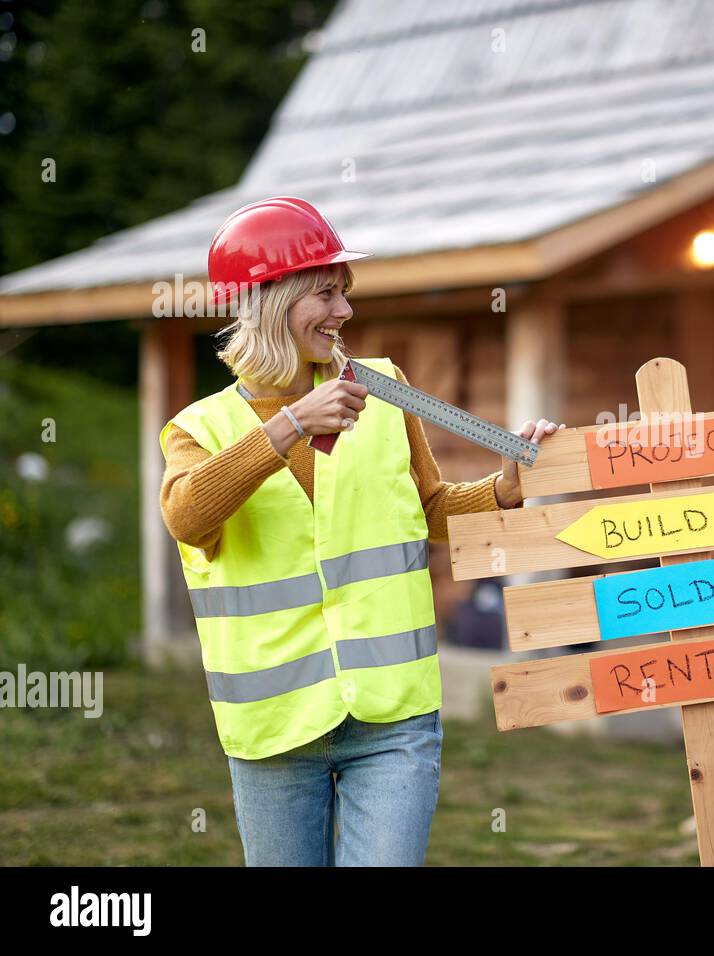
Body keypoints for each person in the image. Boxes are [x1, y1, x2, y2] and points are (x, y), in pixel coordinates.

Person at [159, 196, 563, 866]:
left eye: (344, 292)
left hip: (393, 717)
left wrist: (502, 491)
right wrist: (289, 425)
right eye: (325, 293)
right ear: (269, 301)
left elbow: (427, 506)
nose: (345, 311)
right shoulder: (198, 429)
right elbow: (188, 515)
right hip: (274, 727)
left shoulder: (383, 388)